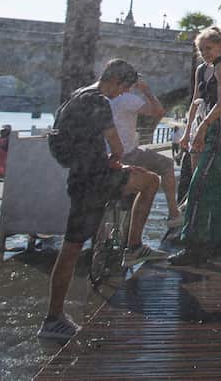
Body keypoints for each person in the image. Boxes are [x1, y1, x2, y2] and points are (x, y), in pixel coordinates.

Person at [38, 59, 163, 342]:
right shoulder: (101, 103)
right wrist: (115, 161)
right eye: (124, 89)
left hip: (79, 178)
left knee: (70, 248)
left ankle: (54, 316)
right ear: (118, 83)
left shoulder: (77, 96)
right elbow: (117, 147)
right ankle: (133, 246)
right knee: (151, 181)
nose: (122, 95)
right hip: (98, 182)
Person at [169, 27, 221, 266]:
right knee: (219, 184)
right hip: (210, 123)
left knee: (200, 183)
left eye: (208, 48)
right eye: (201, 50)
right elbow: (196, 102)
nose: (205, 53)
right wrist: (189, 130)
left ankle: (194, 244)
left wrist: (203, 128)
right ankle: (217, 239)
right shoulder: (202, 70)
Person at [110, 76, 183, 230]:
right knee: (166, 164)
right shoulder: (127, 98)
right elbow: (159, 111)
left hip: (109, 154)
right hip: (127, 154)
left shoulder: (106, 98)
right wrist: (146, 91)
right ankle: (173, 214)